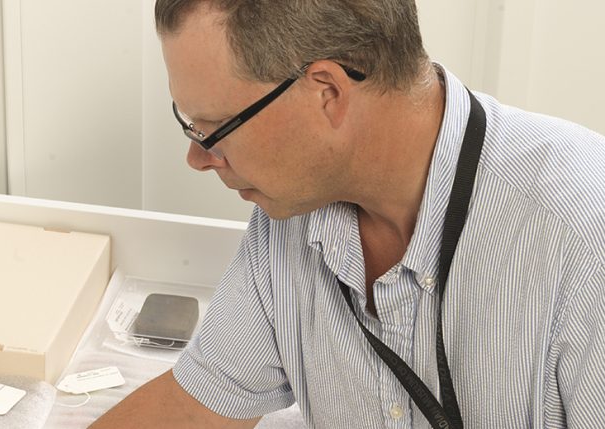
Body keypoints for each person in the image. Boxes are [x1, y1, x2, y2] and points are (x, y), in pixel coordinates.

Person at [90, 0, 605, 428]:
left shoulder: (583, 229)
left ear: (327, 92)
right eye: (190, 126)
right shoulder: (290, 216)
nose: (199, 158)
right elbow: (192, 409)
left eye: (215, 128)